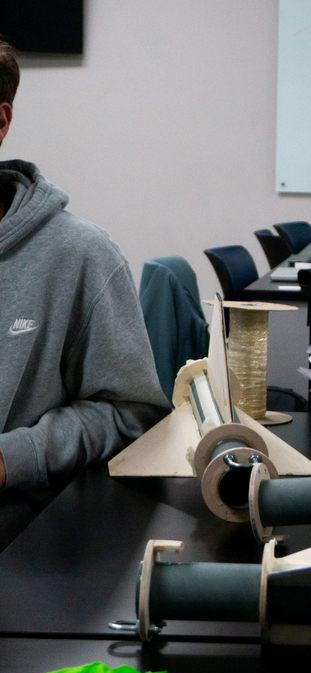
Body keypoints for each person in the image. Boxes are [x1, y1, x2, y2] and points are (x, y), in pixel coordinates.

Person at [0, 40, 171, 550]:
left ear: (1, 121)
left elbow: (132, 413)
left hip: (21, 546)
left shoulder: (79, 255)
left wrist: (16, 457)